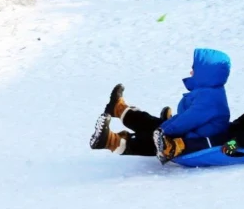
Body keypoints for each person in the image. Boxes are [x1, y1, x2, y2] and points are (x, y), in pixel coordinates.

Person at [89, 48, 231, 158]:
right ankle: (119, 109)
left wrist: (165, 130)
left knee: (154, 136)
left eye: (195, 70)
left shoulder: (210, 99)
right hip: (190, 133)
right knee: (155, 126)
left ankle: (110, 141)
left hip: (192, 142)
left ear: (207, 74)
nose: (190, 72)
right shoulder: (207, 92)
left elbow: (189, 119)